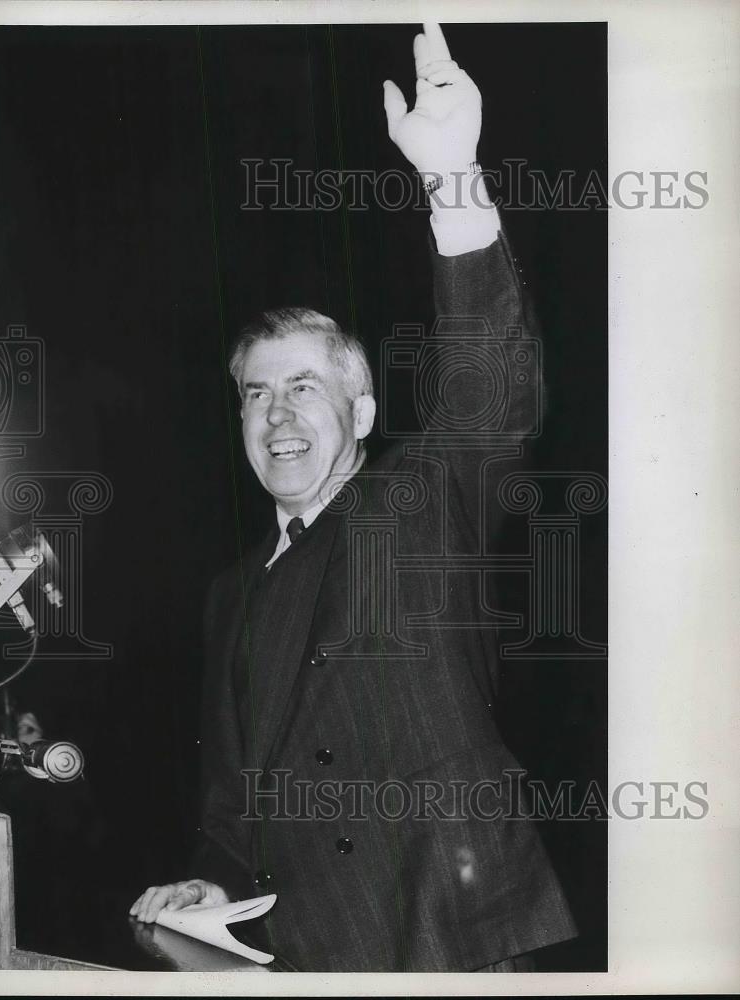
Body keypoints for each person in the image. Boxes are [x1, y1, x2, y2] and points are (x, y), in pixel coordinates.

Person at [131, 22, 577, 971]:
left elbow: (489, 396)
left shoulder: (418, 498)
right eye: (256, 392)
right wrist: (210, 880)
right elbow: (230, 810)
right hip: (309, 954)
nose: (276, 413)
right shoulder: (230, 591)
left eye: (304, 387)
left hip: (447, 927)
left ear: (363, 411)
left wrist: (451, 176)